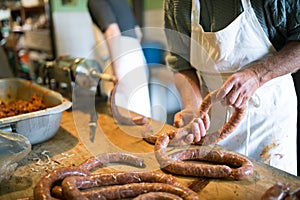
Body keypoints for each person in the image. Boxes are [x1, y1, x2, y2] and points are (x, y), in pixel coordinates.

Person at [164, 0, 300, 175]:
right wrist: (193, 107)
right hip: (211, 123)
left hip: (269, 119)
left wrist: (257, 75)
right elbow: (181, 63)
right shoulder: (177, 3)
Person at [87, 0, 151, 117]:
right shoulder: (122, 2)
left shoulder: (94, 1)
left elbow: (112, 32)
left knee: (124, 112)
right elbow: (138, 33)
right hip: (136, 55)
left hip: (120, 58)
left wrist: (116, 72)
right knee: (141, 109)